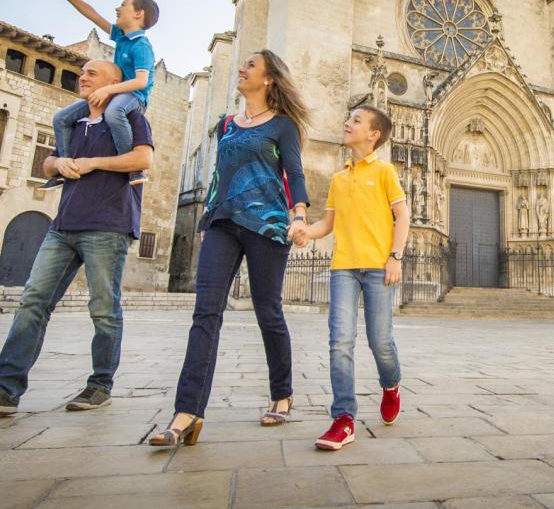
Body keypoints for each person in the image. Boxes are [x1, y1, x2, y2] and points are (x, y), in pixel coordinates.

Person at [0, 60, 154, 415]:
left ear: (114, 83)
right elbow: (49, 162)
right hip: (63, 225)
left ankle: (100, 385)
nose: (82, 77)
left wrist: (92, 163)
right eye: (82, 72)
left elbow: (142, 158)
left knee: (103, 309)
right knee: (33, 301)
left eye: (92, 73)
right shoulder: (72, 122)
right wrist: (57, 165)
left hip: (108, 224)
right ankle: (5, 389)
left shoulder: (129, 115)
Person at [148, 50, 310, 447]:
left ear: (269, 78)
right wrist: (206, 219)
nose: (242, 69)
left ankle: (282, 394)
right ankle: (187, 412)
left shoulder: (284, 127)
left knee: (268, 310)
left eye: (250, 65)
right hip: (222, 223)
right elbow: (219, 176)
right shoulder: (226, 126)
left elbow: (295, 172)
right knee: (205, 312)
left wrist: (300, 215)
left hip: (267, 226)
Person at [295, 104, 409, 451]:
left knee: (380, 343)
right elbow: (327, 223)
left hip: (378, 267)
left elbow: (402, 217)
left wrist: (395, 257)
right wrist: (305, 233)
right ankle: (343, 419)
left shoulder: (385, 171)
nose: (347, 122)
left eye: (356, 120)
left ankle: (391, 385)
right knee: (340, 341)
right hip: (343, 267)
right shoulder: (338, 178)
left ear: (373, 135)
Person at [41, 0, 157, 186]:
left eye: (123, 5)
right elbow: (92, 14)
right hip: (116, 94)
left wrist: (107, 90)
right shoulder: (121, 37)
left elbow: (141, 82)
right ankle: (66, 164)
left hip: (135, 96)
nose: (117, 8)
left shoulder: (141, 46)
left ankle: (133, 169)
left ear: (138, 14)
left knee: (114, 112)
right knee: (61, 118)